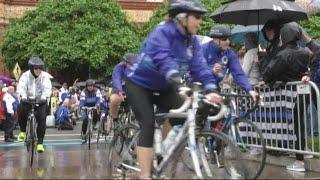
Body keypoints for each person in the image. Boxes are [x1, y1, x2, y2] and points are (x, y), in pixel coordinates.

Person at [124, 0, 222, 178]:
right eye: (197, 17)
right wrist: (178, 82)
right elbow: (163, 58)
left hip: (165, 86)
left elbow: (200, 67)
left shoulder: (192, 42)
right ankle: (145, 175)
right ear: (182, 18)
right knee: (147, 123)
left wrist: (211, 89)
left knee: (184, 117)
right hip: (140, 84)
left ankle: (162, 155)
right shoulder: (161, 32)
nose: (200, 22)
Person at [262, 22, 313, 172]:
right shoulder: (306, 52)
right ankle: (303, 152)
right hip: (303, 92)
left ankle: (299, 161)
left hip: (289, 95)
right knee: (300, 124)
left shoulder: (283, 54)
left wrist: (264, 57)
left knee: (294, 126)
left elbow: (268, 74)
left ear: (284, 35)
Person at [202, 24, 257, 99]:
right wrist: (212, 71)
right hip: (199, 88)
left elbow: (238, 73)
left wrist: (249, 90)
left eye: (229, 39)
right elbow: (196, 71)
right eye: (224, 39)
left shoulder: (229, 53)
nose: (228, 42)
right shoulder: (203, 49)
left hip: (215, 88)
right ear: (215, 39)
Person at [17, 57, 52, 153]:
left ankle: (40, 143)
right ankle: (23, 131)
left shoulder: (45, 76)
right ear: (31, 68)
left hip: (41, 100)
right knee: (20, 109)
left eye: (40, 68)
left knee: (42, 119)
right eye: (36, 68)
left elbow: (47, 88)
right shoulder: (25, 76)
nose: (38, 70)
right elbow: (21, 87)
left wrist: (44, 97)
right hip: (27, 99)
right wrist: (23, 97)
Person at [108, 53, 138, 123]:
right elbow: (116, 79)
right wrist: (119, 91)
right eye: (127, 62)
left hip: (132, 89)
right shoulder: (119, 67)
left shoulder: (137, 67)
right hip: (119, 89)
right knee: (113, 99)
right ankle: (115, 118)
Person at [79, 79, 101, 143]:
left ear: (93, 86)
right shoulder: (83, 92)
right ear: (86, 86)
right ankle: (84, 134)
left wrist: (97, 105)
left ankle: (94, 123)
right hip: (85, 106)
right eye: (88, 86)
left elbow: (98, 99)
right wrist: (82, 106)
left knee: (97, 111)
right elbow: (82, 100)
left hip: (94, 105)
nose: (90, 87)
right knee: (85, 119)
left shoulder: (97, 91)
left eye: (91, 86)